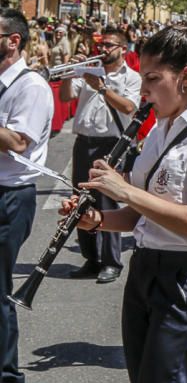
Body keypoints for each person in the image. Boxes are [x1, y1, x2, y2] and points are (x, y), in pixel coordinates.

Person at [65, 24, 187, 383]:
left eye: (152, 78)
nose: (143, 90)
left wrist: (124, 188)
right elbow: (138, 217)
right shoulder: (161, 128)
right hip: (146, 268)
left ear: (186, 77)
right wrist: (98, 220)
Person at [0, 9, 54, 383]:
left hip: (9, 198)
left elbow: (19, 141)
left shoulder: (31, 86)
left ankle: (4, 381)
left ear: (12, 40)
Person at [59, 28, 141, 284]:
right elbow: (64, 97)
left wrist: (103, 89)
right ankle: (90, 258)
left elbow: (129, 107)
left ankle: (111, 262)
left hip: (111, 146)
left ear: (123, 49)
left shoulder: (132, 78)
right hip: (84, 142)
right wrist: (67, 75)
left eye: (109, 45)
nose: (102, 49)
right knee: (80, 199)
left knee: (106, 202)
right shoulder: (90, 70)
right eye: (101, 44)